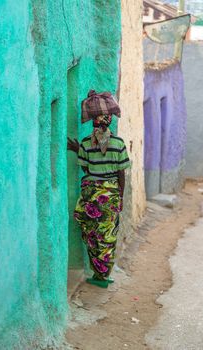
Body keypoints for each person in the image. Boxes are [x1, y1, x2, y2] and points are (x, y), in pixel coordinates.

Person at [67, 90, 130, 288]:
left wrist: (80, 150)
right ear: (109, 121)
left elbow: (86, 168)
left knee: (93, 234)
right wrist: (120, 194)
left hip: (91, 195)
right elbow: (121, 174)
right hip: (110, 195)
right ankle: (103, 275)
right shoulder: (119, 144)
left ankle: (98, 274)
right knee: (108, 235)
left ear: (94, 121)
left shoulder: (85, 143)